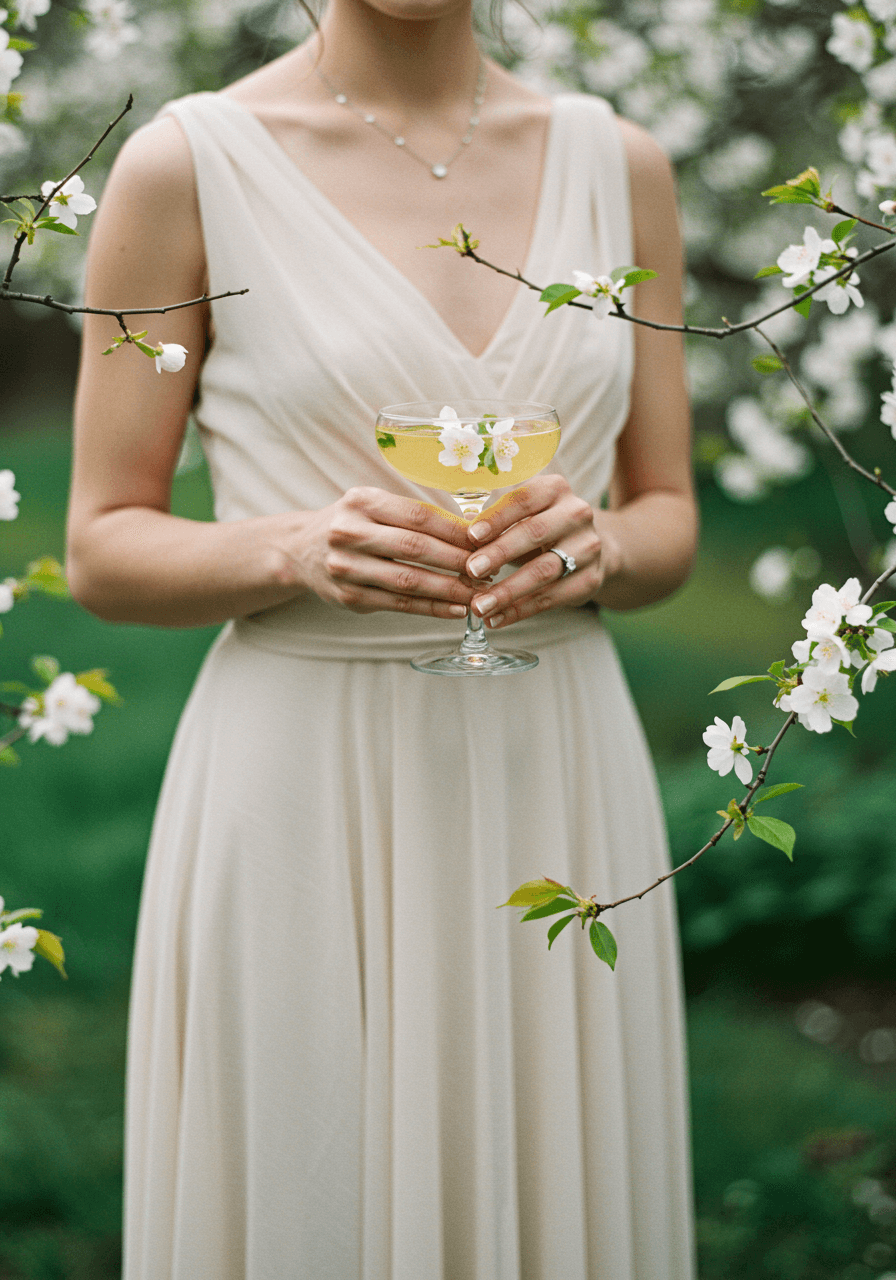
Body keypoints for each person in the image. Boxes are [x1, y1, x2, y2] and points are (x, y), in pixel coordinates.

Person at [67, 0, 698, 1271]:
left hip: (554, 759)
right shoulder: (188, 162)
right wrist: (286, 548)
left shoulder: (616, 161)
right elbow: (101, 542)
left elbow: (668, 515)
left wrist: (602, 549)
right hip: (306, 777)